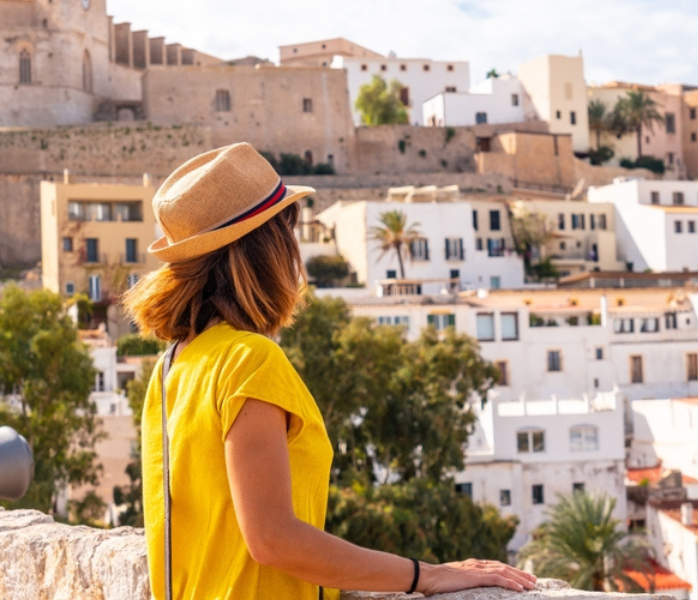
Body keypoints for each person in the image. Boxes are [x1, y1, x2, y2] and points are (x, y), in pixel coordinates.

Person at [123, 143, 536, 600]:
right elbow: (273, 540)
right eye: (289, 230)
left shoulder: (172, 367)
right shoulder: (247, 360)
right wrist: (428, 575)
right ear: (268, 248)